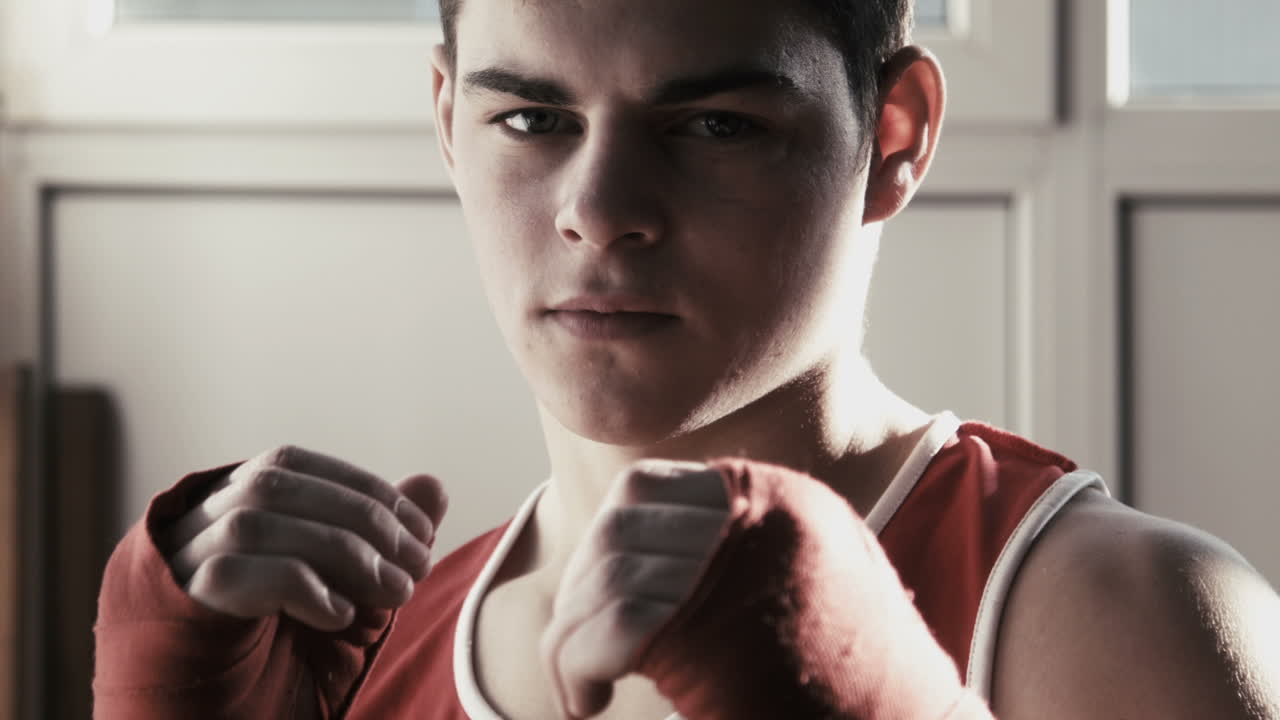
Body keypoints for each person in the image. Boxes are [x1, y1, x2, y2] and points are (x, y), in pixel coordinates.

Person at [94, 0, 1280, 718]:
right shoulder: (377, 651)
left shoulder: (1114, 614)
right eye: (532, 118)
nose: (600, 210)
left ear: (894, 137)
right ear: (448, 119)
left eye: (714, 126)